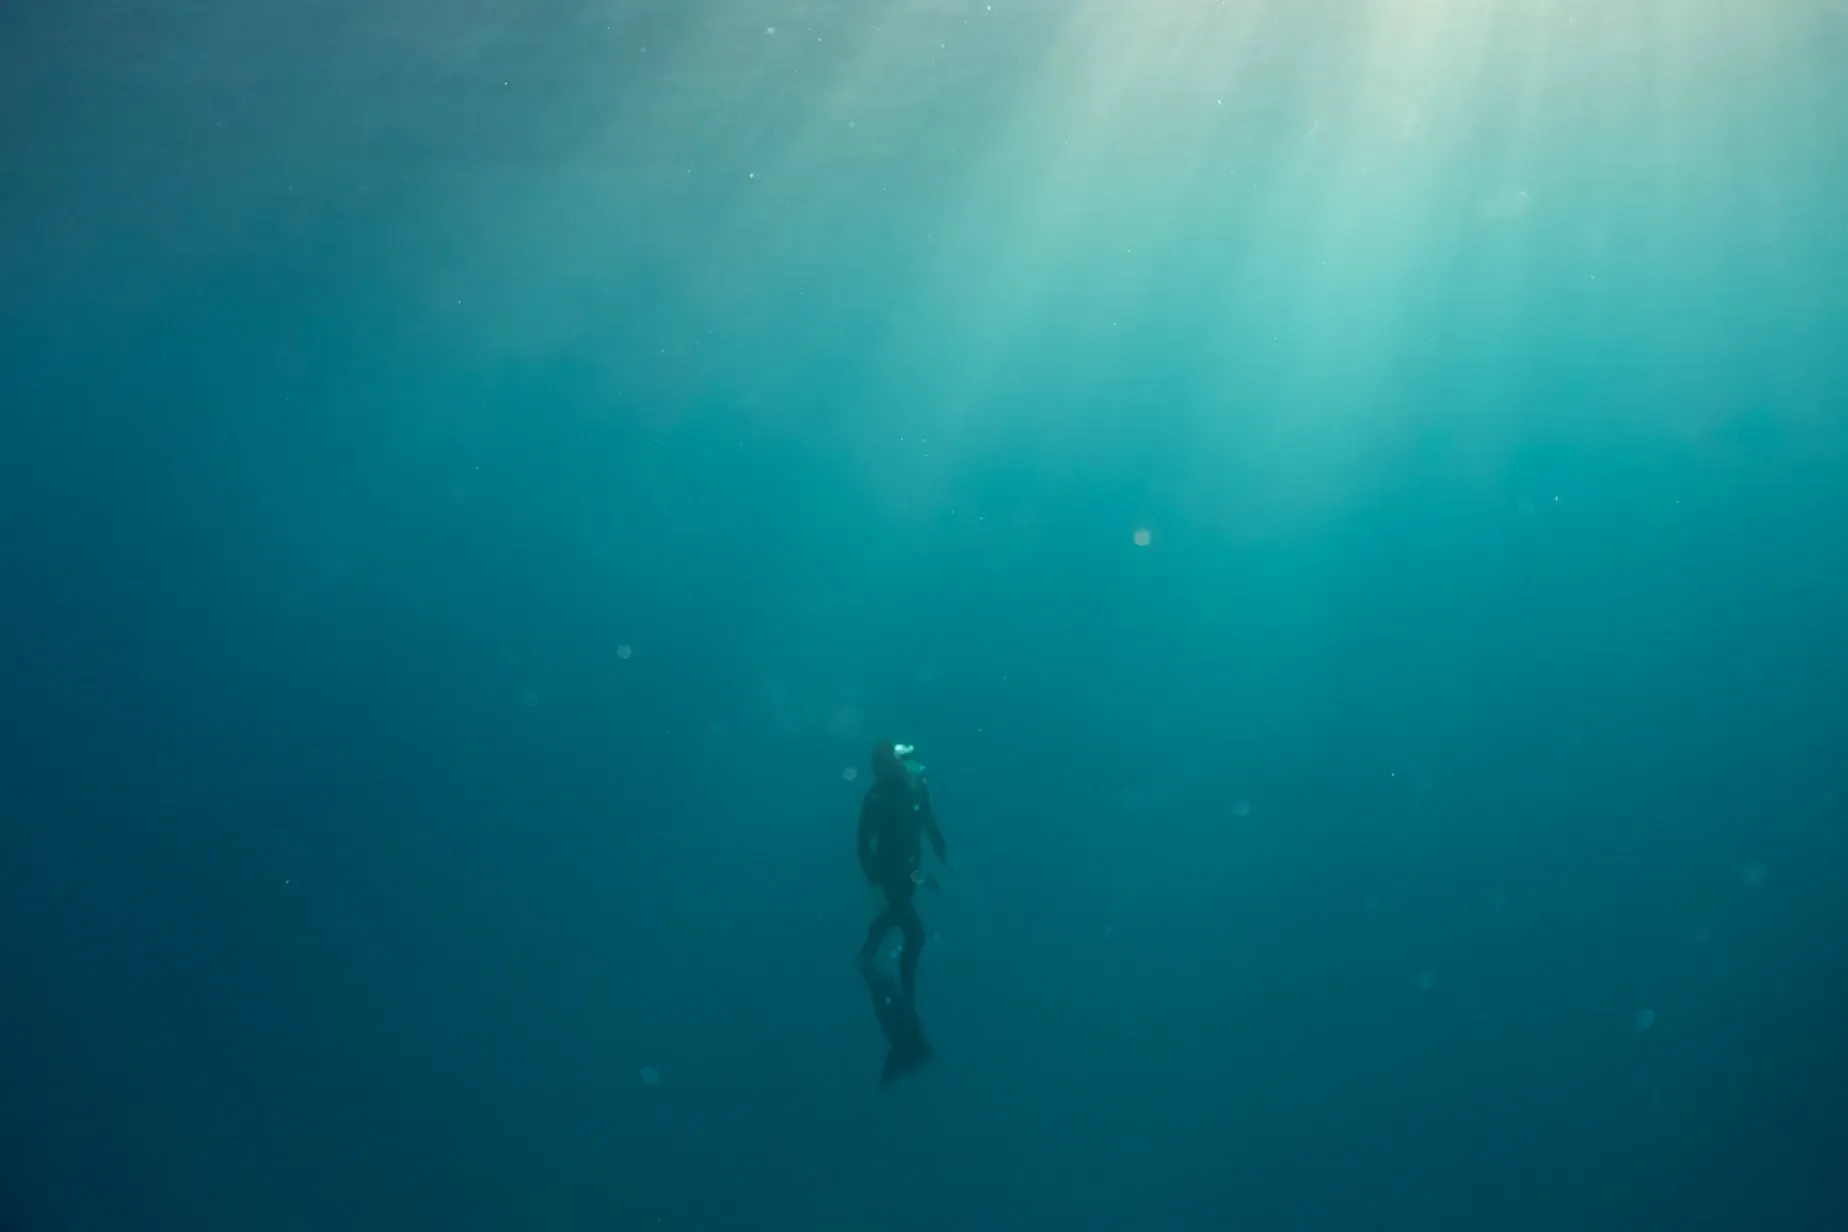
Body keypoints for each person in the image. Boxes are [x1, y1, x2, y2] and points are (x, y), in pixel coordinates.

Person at [856, 741, 947, 1011]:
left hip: (908, 872)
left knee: (892, 916)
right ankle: (908, 997)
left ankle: (865, 958)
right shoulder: (877, 796)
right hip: (890, 874)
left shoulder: (917, 788)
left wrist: (939, 859)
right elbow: (863, 844)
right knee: (915, 935)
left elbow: (929, 824)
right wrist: (874, 884)